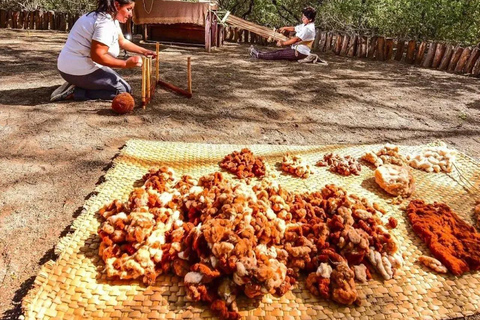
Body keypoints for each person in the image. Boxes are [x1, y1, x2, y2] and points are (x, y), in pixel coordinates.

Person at [50, 0, 156, 102]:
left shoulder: (109, 18)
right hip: (78, 69)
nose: (131, 14)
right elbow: (98, 56)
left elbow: (122, 42)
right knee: (123, 90)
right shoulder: (104, 24)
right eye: (128, 9)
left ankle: (77, 82)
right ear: (116, 5)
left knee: (120, 84)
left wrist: (144, 51)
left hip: (74, 66)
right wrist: (125, 63)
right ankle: (76, 92)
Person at [249, 6, 316, 61]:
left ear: (310, 19)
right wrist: (284, 28)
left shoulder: (308, 28)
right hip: (296, 49)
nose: (302, 19)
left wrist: (282, 43)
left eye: (304, 18)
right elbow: (294, 28)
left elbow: (296, 39)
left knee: (279, 54)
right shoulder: (305, 25)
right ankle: (259, 53)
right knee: (278, 52)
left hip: (300, 52)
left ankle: (258, 55)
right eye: (302, 16)